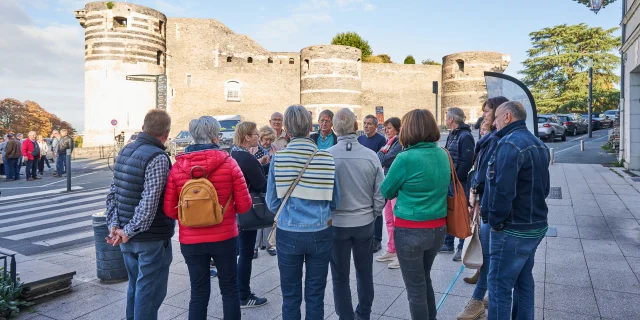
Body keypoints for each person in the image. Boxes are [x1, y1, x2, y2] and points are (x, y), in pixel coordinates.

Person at [163, 115, 252, 319]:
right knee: (230, 290)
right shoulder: (229, 164)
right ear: (214, 137)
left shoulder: (178, 167)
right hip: (225, 238)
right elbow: (245, 205)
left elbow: (169, 210)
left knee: (198, 291)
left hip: (191, 241)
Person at [266, 105, 340, 320]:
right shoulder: (326, 158)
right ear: (310, 127)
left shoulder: (278, 159)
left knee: (290, 296)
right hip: (320, 231)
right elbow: (335, 201)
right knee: (316, 295)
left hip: (288, 231)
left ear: (287, 129)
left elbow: (272, 202)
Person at [105, 110, 175, 320]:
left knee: (135, 287)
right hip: (149, 237)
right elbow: (150, 202)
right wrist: (126, 231)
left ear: (144, 128)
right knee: (150, 292)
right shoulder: (158, 157)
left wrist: (115, 226)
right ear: (166, 133)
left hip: (126, 234)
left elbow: (113, 193)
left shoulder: (125, 151)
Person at [380, 109, 450, 320]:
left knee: (415, 288)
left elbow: (386, 191)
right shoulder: (443, 153)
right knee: (424, 279)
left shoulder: (405, 158)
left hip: (410, 229)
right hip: (438, 228)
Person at [486, 101, 550, 320]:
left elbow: (503, 190)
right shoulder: (537, 143)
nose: (493, 122)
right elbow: (546, 188)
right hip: (535, 226)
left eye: (496, 117)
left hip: (513, 229)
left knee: (498, 286)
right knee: (524, 282)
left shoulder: (509, 143)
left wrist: (495, 221)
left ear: (507, 117)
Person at [327, 109, 385, 320]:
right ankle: (364, 314)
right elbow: (381, 192)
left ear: (334, 128)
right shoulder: (370, 156)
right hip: (364, 221)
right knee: (364, 272)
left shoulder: (327, 156)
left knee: (340, 276)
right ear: (355, 126)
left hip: (337, 222)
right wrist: (373, 213)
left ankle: (345, 316)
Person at [457, 96, 509, 320]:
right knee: (488, 256)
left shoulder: (497, 141)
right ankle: (487, 292)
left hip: (490, 207)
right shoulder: (489, 139)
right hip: (482, 204)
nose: (483, 115)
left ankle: (478, 300)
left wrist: (478, 196)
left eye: (487, 112)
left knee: (488, 256)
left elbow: (490, 178)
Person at [230, 121, 270, 308]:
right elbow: (262, 184)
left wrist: (260, 164)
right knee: (246, 253)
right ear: (247, 137)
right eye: (255, 134)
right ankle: (244, 295)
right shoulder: (247, 159)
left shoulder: (234, 154)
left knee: (240, 252)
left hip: (235, 211)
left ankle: (239, 291)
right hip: (248, 210)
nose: (257, 137)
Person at [440, 107, 475, 261]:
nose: (446, 119)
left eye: (446, 117)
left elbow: (467, 161)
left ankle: (461, 247)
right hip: (450, 180)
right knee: (449, 210)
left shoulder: (465, 135)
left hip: (459, 181)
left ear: (452, 119)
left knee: (460, 212)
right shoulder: (453, 134)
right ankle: (448, 243)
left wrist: (456, 178)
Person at [248, 125, 281, 257]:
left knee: (269, 214)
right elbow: (250, 166)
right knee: (256, 213)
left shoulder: (276, 150)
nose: (267, 142)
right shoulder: (252, 149)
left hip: (270, 184)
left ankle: (269, 244)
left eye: (270, 139)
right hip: (256, 184)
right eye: (265, 139)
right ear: (260, 138)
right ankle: (254, 247)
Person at [375, 117, 402, 269]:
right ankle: (391, 249)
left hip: (395, 186)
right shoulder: (389, 143)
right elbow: (380, 156)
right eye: (385, 128)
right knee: (389, 218)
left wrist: (381, 155)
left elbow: (385, 158)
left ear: (397, 129)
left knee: (396, 220)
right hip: (388, 183)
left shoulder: (398, 142)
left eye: (390, 128)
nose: (386, 130)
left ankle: (399, 253)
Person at [358, 115, 387, 253]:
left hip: (374, 177)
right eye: (365, 123)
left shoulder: (381, 140)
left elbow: (380, 159)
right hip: (361, 178)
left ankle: (377, 240)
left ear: (376, 126)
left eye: (369, 124)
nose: (366, 126)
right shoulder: (360, 139)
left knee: (377, 209)